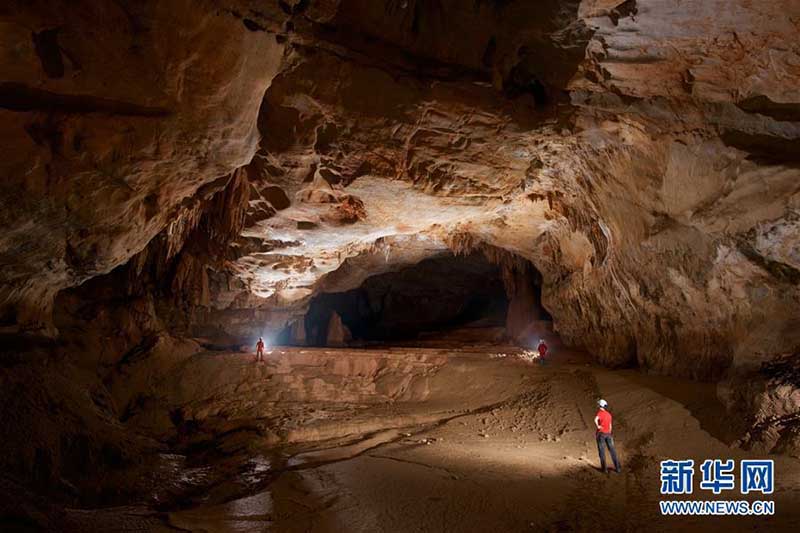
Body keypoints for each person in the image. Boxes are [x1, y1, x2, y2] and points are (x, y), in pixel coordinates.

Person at [594, 399, 621, 473]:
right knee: (612, 451)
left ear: (600, 405)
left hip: (601, 434)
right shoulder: (609, 414)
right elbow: (610, 425)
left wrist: (598, 426)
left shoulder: (600, 413)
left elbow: (595, 419)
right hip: (608, 434)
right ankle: (618, 468)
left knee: (602, 451)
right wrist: (609, 432)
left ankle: (604, 469)